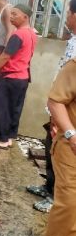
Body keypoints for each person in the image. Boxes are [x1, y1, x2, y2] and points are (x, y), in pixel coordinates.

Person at [26, 32, 76, 213]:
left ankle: (56, 197)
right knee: (50, 149)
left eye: (69, 13)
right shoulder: (72, 40)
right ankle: (49, 187)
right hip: (59, 107)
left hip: (68, 117)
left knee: (63, 159)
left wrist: (65, 125)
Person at [44, 0, 76, 236]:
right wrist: (70, 133)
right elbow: (57, 100)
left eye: (68, 12)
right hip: (72, 145)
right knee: (69, 202)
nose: (66, 18)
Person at [0, 4, 37, 149]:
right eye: (11, 14)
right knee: (14, 108)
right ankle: (8, 137)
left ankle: (0, 138)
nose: (11, 17)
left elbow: (6, 56)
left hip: (11, 76)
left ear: (25, 17)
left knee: (2, 108)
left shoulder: (18, 34)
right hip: (23, 77)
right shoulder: (32, 33)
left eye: (15, 14)